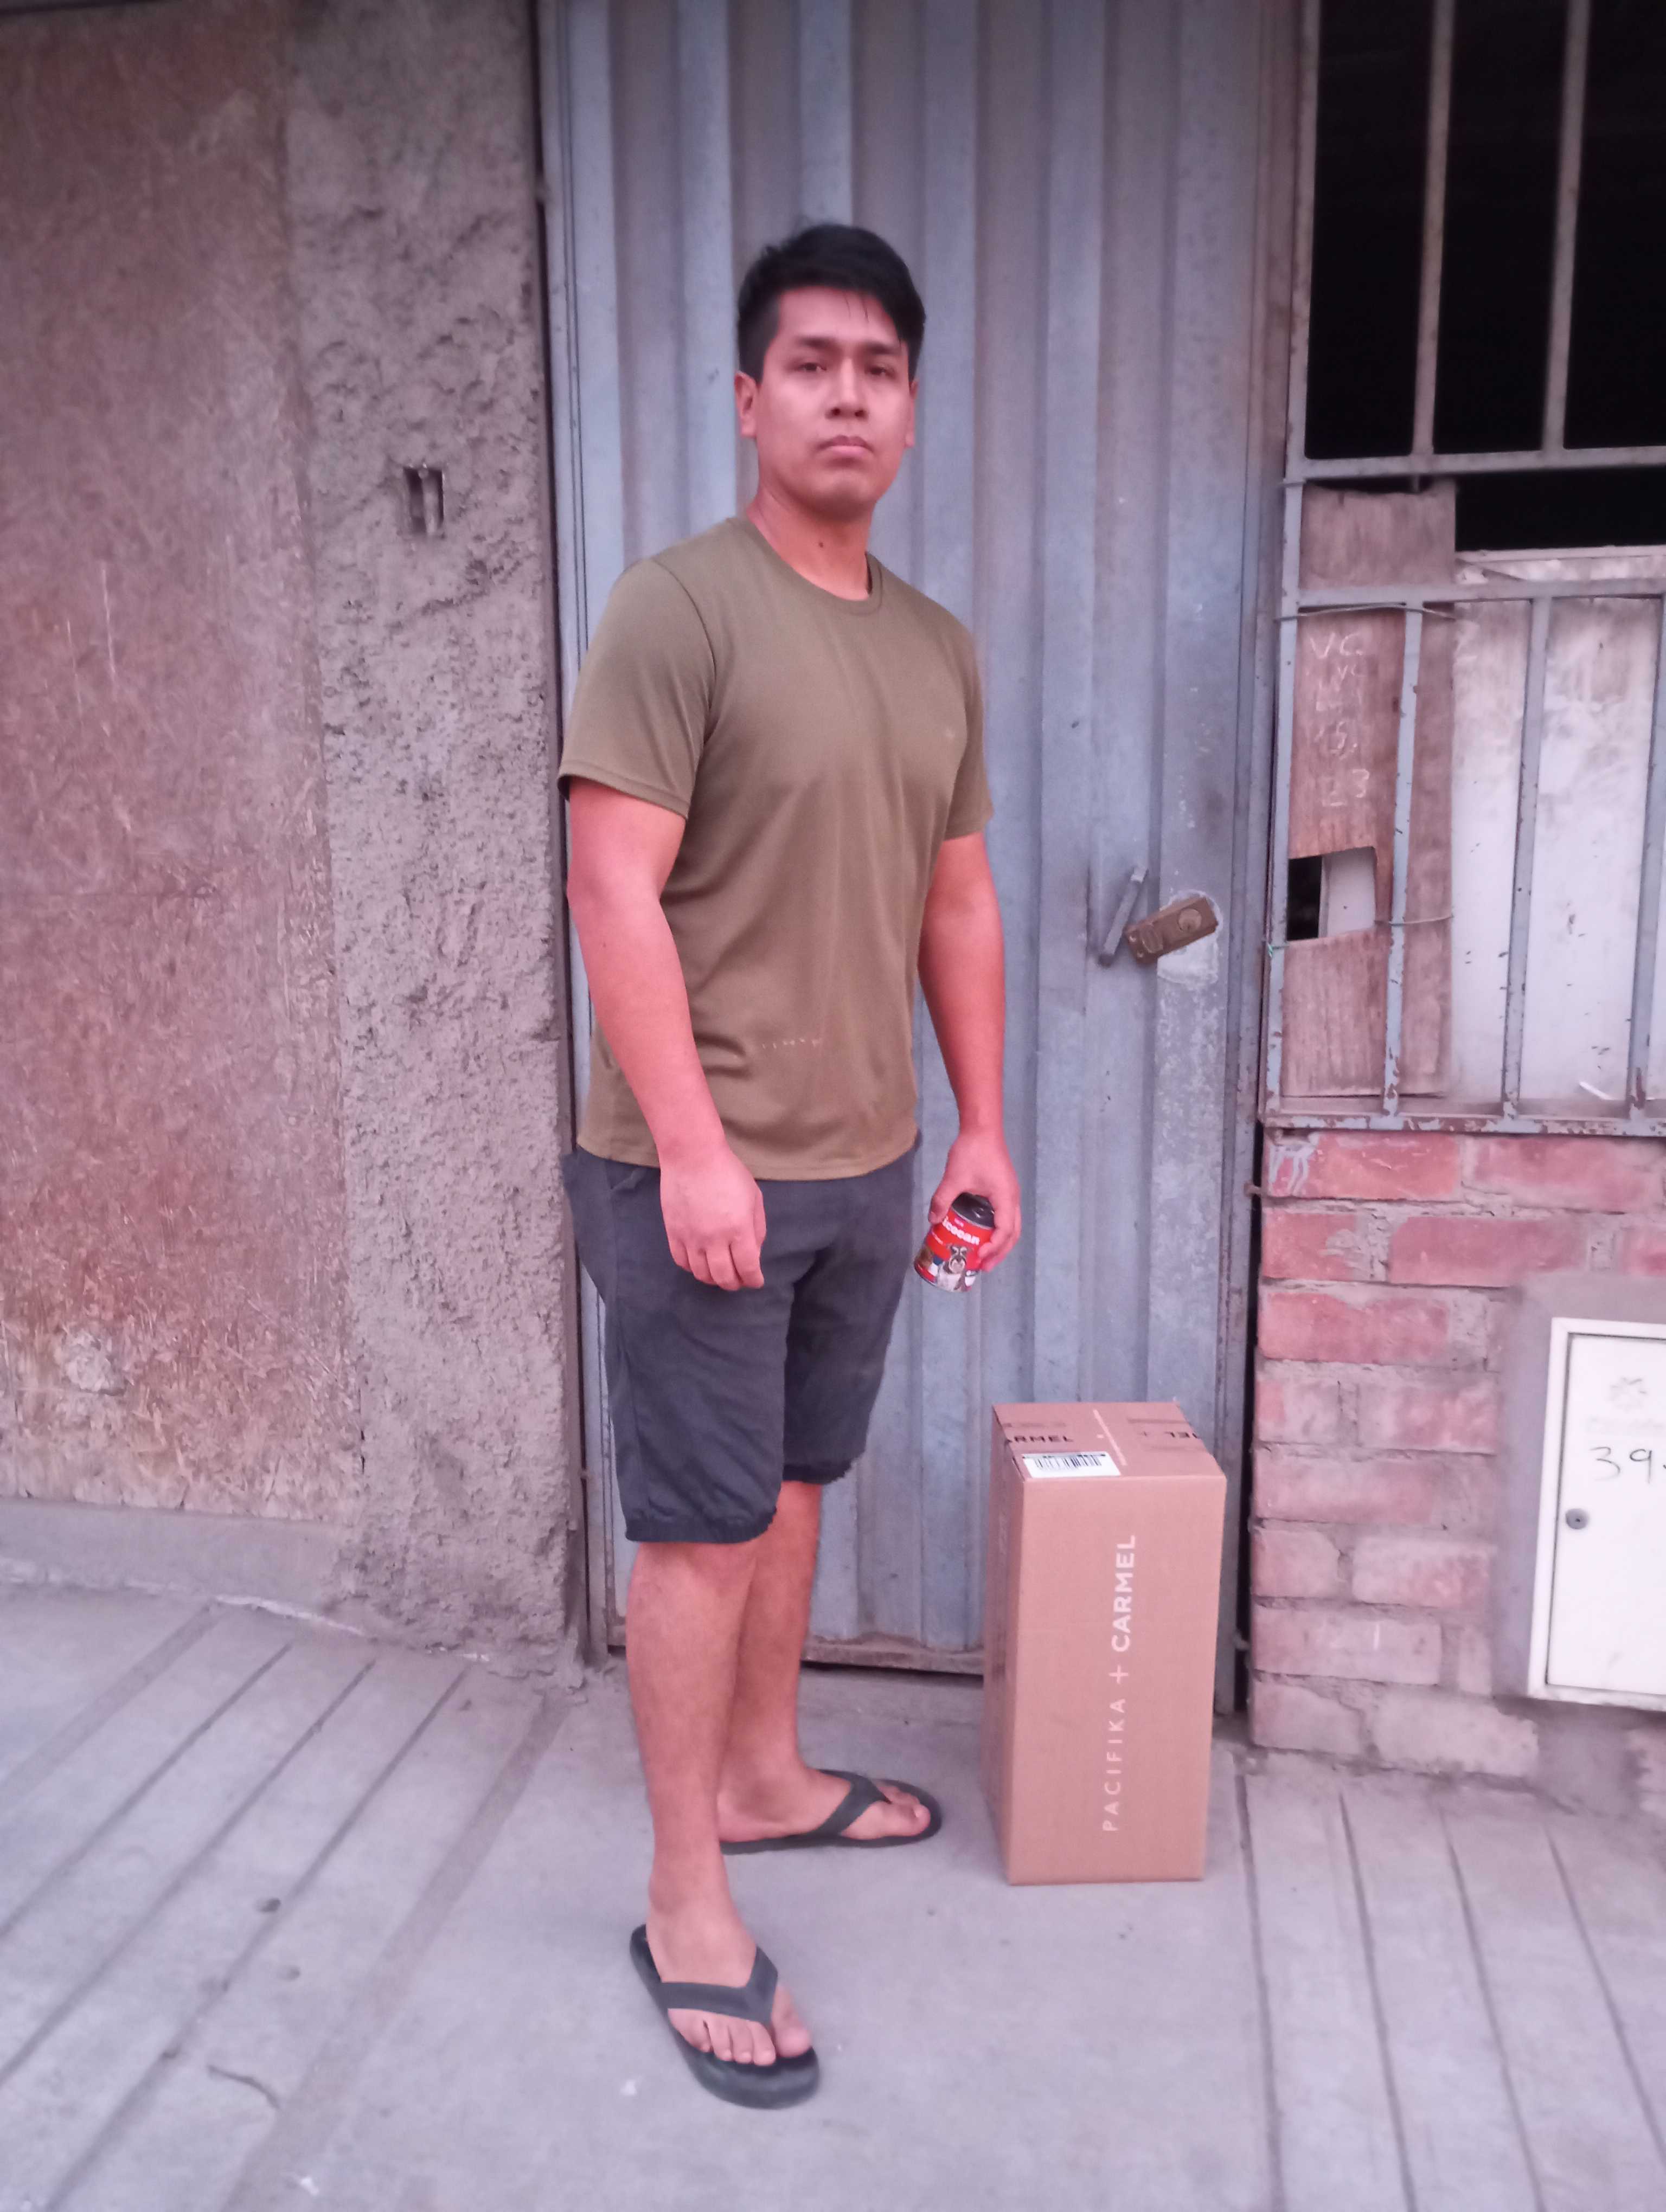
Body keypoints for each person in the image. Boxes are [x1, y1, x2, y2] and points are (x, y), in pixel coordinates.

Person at [559, 222, 1020, 2108]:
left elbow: (956, 902)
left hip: (870, 1158)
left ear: (911, 409)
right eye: (812, 365)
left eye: (879, 370)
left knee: (797, 1483)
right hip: (703, 1169)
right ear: (750, 401)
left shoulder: (934, 647)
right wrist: (691, 1151)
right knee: (699, 1527)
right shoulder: (678, 609)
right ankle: (686, 1896)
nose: (849, 396)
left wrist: (981, 1125)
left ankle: (764, 1776)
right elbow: (612, 887)